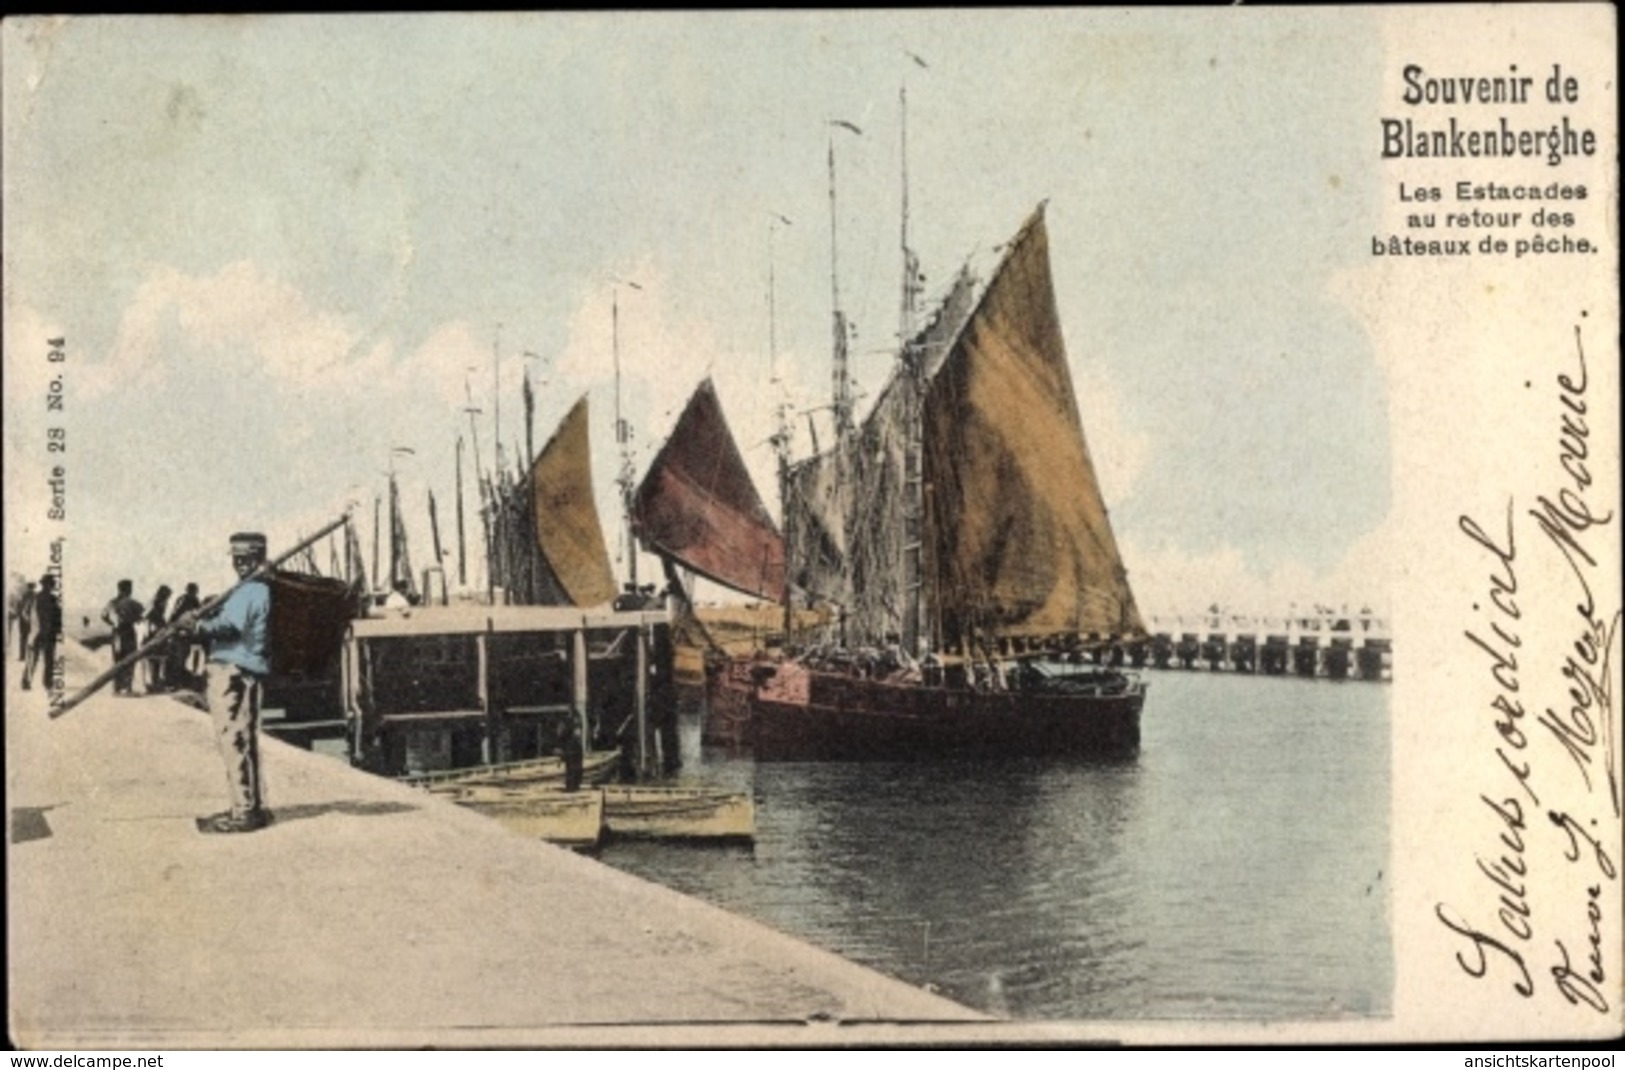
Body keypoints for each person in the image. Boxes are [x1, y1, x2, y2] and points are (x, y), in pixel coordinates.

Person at [176, 533, 273, 835]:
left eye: (246, 558)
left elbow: (228, 628)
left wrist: (194, 626)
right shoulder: (255, 589)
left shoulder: (250, 590)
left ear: (259, 557)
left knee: (233, 740)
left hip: (232, 670)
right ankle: (247, 806)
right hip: (245, 669)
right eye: (236, 558)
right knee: (243, 741)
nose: (240, 563)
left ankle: (244, 812)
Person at [101, 579, 144, 696]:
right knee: (130, 659)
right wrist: (134, 619)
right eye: (130, 588)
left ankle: (116, 688)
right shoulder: (132, 603)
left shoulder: (112, 602)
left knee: (117, 659)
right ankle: (127, 688)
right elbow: (141, 615)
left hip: (116, 633)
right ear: (128, 589)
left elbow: (103, 615)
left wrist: (112, 623)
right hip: (128, 632)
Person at [21, 575, 60, 692]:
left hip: (38, 633)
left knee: (34, 658)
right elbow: (58, 617)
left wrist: (33, 625)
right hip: (46, 633)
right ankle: (47, 683)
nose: (53, 586)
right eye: (52, 583)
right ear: (47, 585)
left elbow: (24, 613)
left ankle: (27, 682)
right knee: (47, 659)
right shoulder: (53, 599)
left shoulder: (36, 598)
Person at [167, 583, 203, 688]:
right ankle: (175, 683)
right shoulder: (184, 599)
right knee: (178, 658)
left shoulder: (193, 600)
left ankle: (177, 682)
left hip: (186, 633)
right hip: (179, 632)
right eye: (194, 591)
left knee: (182, 657)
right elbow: (175, 613)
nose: (195, 593)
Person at [143, 585, 173, 693]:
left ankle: (154, 683)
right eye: (168, 596)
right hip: (154, 631)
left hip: (157, 630)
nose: (168, 599)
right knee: (154, 658)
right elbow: (146, 615)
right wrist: (160, 624)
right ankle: (153, 683)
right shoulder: (155, 602)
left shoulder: (157, 602)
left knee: (157, 659)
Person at [15, 580, 37, 663]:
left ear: (28, 587)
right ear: (33, 587)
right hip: (31, 620)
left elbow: (19, 608)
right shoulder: (35, 596)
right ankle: (30, 656)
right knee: (31, 639)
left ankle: (22, 656)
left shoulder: (23, 596)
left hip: (23, 620)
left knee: (23, 638)